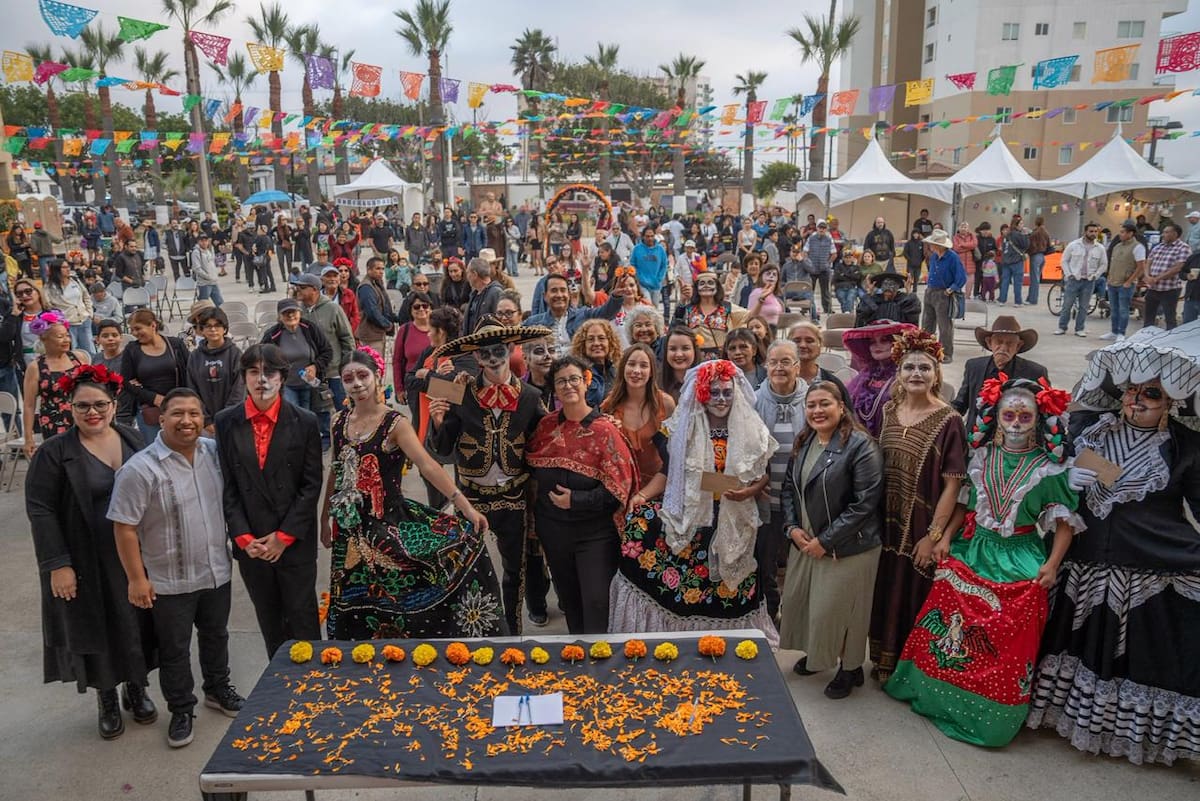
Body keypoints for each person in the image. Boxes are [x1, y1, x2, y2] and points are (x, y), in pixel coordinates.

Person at [1029, 327, 1200, 765]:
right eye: (1131, 391)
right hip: (1083, 556)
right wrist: (1063, 476)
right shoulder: (1089, 427)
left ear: (1171, 403)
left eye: (1151, 394)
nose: (1136, 400)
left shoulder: (1185, 446)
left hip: (1148, 557)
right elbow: (1041, 467)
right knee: (1068, 638)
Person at [887, 376, 1080, 745]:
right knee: (943, 610)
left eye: (1026, 418)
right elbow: (965, 505)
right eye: (1010, 415)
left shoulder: (1049, 469)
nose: (1016, 424)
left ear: (1039, 420)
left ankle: (990, 715)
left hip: (1020, 554)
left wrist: (1052, 564)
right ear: (997, 417)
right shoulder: (982, 457)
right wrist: (943, 537)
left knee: (1010, 632)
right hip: (975, 547)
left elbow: (1063, 524)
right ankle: (932, 694)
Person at [321, 345, 501, 639]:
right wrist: (324, 519)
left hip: (388, 524)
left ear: (378, 376)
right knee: (356, 601)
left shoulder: (395, 423)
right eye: (348, 378)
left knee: (401, 598)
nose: (357, 384)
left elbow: (428, 466)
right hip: (349, 530)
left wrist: (465, 506)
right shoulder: (338, 422)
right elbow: (336, 471)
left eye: (363, 376)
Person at [26, 364, 156, 740]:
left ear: (114, 404)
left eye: (99, 404)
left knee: (136, 622)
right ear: (69, 407)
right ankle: (107, 698)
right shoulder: (54, 453)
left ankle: (136, 687)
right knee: (98, 627)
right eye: (82, 406)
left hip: (132, 556)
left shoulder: (133, 440)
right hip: (84, 557)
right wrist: (58, 564)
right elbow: (41, 509)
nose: (92, 412)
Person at [109, 389, 245, 748]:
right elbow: (123, 526)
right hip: (169, 579)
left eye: (195, 414)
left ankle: (217, 689)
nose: (187, 421)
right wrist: (137, 579)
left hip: (216, 570)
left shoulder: (215, 455)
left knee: (216, 635)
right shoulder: (140, 468)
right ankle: (182, 709)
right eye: (178, 414)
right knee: (175, 649)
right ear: (161, 418)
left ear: (204, 419)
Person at [609, 359, 779, 644]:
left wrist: (749, 492)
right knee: (673, 569)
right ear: (702, 393)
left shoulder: (753, 429)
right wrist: (641, 496)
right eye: (714, 392)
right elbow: (668, 472)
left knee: (728, 585)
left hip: (733, 517)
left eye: (727, 392)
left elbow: (764, 476)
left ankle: (728, 637)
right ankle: (682, 636)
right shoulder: (681, 429)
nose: (721, 399)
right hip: (693, 516)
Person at [428, 320, 554, 633]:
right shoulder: (460, 391)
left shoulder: (529, 396)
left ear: (510, 350)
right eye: (485, 353)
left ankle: (512, 630)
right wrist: (437, 420)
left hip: (513, 497)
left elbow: (548, 439)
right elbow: (442, 447)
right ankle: (470, 629)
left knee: (515, 567)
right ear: (477, 358)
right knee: (465, 566)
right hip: (471, 497)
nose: (493, 358)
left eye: (498, 350)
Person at [869, 329, 967, 683]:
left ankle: (909, 673)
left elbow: (953, 484)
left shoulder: (949, 420)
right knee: (884, 590)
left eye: (925, 368)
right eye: (909, 367)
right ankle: (881, 661)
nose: (916, 374)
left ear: (937, 375)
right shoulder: (888, 411)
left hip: (922, 526)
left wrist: (934, 535)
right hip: (884, 523)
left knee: (910, 593)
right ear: (898, 374)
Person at [214, 345, 322, 658]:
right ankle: (281, 689)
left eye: (269, 372)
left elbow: (310, 484)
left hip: (292, 538)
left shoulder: (304, 421)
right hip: (253, 542)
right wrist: (244, 537)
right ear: (243, 377)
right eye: (253, 372)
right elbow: (229, 486)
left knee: (302, 616)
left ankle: (313, 686)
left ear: (283, 378)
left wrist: (284, 536)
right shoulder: (226, 421)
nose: (262, 379)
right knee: (269, 617)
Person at [780, 380, 884, 698]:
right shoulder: (806, 441)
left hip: (849, 546)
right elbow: (788, 488)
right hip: (808, 541)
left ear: (842, 407)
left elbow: (865, 503)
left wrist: (825, 541)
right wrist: (792, 528)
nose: (817, 410)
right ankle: (818, 656)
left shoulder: (861, 446)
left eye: (825, 403)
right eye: (811, 405)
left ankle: (850, 668)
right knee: (809, 603)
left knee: (841, 610)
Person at [526, 355, 636, 634]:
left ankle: (600, 664)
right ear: (553, 388)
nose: (568, 385)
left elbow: (618, 489)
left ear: (586, 382)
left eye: (574, 378)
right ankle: (578, 661)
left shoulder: (605, 430)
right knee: (569, 599)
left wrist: (576, 500)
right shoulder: (545, 428)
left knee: (597, 601)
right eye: (561, 381)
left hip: (595, 534)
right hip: (553, 531)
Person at [752, 339, 809, 620]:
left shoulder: (813, 400)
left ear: (798, 367)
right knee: (766, 563)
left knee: (802, 563)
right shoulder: (752, 401)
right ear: (765, 366)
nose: (779, 368)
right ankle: (769, 614)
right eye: (773, 362)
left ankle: (797, 618)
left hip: (803, 501)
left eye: (786, 362)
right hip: (766, 497)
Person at [953, 316, 1049, 432]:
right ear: (989, 343)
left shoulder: (1035, 372)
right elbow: (960, 404)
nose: (1003, 348)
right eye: (999, 342)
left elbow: (1046, 412)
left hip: (1016, 440)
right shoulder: (974, 367)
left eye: (1010, 344)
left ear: (1018, 346)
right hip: (975, 437)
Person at [119, 310, 189, 441]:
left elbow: (190, 373)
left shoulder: (175, 345)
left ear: (153, 325)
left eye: (138, 328)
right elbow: (126, 382)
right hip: (150, 410)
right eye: (132, 330)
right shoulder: (132, 349)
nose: (134, 333)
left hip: (179, 405)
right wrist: (154, 398)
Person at [843, 320, 916, 437]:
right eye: (872, 342)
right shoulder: (865, 376)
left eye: (884, 340)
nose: (877, 346)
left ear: (897, 343)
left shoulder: (906, 376)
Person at [260, 298, 332, 413]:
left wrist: (315, 366)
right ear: (279, 317)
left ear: (300, 313)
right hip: (287, 384)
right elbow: (262, 358)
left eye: (294, 312)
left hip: (311, 383)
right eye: (286, 313)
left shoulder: (310, 328)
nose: (290, 315)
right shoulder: (272, 335)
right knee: (293, 415)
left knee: (311, 417)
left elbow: (327, 351)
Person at [525, 272, 624, 351]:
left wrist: (616, 296)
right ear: (545, 296)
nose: (559, 295)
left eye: (563, 290)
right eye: (554, 290)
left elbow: (607, 313)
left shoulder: (583, 315)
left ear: (568, 295)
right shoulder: (534, 323)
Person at [185, 307, 244, 436]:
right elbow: (192, 389)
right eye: (208, 326)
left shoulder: (235, 354)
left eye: (217, 325)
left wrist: (226, 417)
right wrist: (206, 420)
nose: (213, 330)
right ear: (202, 329)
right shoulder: (195, 356)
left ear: (225, 328)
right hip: (204, 424)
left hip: (231, 421)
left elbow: (239, 390)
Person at [920, 229, 967, 363]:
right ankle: (926, 350)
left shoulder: (952, 257)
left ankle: (946, 353)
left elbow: (961, 277)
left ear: (939, 245)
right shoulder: (934, 256)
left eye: (932, 244)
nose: (930, 246)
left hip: (943, 294)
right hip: (930, 291)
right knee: (927, 323)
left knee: (944, 325)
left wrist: (951, 289)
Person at [1054, 223, 1108, 338]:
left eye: (1095, 231)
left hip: (1089, 281)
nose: (1093, 234)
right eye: (1091, 231)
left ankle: (1079, 328)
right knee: (1067, 305)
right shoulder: (1074, 245)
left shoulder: (1100, 248)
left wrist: (1096, 275)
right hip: (1074, 279)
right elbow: (1064, 260)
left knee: (1084, 306)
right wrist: (1069, 274)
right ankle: (1062, 327)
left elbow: (1103, 264)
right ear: (1085, 232)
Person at [674, 271, 742, 360]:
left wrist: (760, 301)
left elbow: (748, 317)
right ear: (696, 288)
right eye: (702, 283)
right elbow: (675, 327)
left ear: (717, 287)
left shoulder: (727, 307)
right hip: (696, 360)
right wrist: (682, 300)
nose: (706, 285)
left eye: (710, 283)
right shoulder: (688, 309)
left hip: (722, 360)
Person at [1103, 221, 1148, 339]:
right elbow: (1113, 264)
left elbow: (1141, 267)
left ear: (1130, 233)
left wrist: (1129, 281)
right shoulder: (1117, 246)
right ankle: (1113, 331)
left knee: (1123, 310)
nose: (1120, 235)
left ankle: (1121, 333)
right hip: (1113, 282)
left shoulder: (1138, 247)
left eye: (1122, 232)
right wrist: (1109, 277)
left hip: (1126, 284)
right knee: (1114, 309)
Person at [1142, 223, 1191, 330]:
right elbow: (1148, 262)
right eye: (1163, 232)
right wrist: (1147, 276)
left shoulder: (1183, 248)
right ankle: (1145, 338)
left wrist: (1156, 279)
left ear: (1175, 234)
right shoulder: (1159, 246)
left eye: (1166, 232)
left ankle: (1170, 341)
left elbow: (1178, 268)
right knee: (1148, 316)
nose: (1163, 235)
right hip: (1153, 287)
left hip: (1169, 289)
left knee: (1169, 317)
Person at [43, 258, 94, 356]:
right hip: (67, 323)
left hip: (84, 319)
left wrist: (90, 313)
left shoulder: (75, 280)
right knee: (72, 352)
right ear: (57, 269)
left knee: (90, 351)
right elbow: (48, 305)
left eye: (68, 267)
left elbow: (86, 296)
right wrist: (59, 320)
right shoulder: (49, 287)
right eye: (64, 267)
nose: (68, 269)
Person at [570, 319, 621, 408]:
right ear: (583, 344)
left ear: (610, 342)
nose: (596, 343)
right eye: (590, 339)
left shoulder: (617, 370)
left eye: (601, 338)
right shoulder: (578, 374)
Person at [630, 226, 669, 308]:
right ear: (643, 236)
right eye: (647, 236)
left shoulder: (660, 249)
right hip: (642, 283)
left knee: (655, 307)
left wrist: (659, 279)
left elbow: (664, 265)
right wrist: (638, 277)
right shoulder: (637, 249)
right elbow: (633, 264)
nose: (650, 238)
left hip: (656, 284)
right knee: (647, 306)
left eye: (652, 236)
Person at [659, 324, 700, 401]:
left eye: (685, 348)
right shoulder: (656, 382)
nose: (679, 354)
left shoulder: (708, 380)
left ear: (694, 350)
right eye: (673, 349)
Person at [803, 220, 835, 315]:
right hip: (812, 268)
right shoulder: (811, 238)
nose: (822, 229)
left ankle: (827, 309)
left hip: (824, 269)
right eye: (820, 227)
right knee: (808, 289)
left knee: (825, 291)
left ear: (826, 229)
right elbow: (805, 251)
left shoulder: (829, 239)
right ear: (817, 228)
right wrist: (807, 263)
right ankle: (805, 308)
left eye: (824, 228)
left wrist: (828, 263)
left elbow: (834, 254)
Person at [997, 216, 1029, 306]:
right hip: (1016, 261)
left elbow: (1003, 248)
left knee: (1005, 281)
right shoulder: (1018, 234)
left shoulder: (1005, 235)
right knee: (1017, 282)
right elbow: (1026, 245)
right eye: (1021, 223)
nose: (1023, 225)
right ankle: (1018, 301)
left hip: (1006, 261)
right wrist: (1026, 234)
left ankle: (1002, 300)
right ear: (1016, 225)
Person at [322, 264, 360, 334]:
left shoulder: (349, 294)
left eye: (335, 276)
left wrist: (348, 332)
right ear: (322, 280)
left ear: (339, 279)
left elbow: (355, 316)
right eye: (328, 276)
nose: (332, 279)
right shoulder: (316, 296)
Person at [748, 263, 787, 329]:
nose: (771, 276)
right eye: (768, 274)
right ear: (761, 277)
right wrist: (761, 299)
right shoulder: (757, 292)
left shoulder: (774, 295)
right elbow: (750, 317)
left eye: (774, 275)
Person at [190, 231, 223, 307]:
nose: (204, 243)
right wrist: (207, 276)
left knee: (220, 303)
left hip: (213, 282)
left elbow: (212, 264)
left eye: (206, 241)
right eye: (202, 241)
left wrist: (214, 275)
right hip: (204, 284)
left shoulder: (208, 251)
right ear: (198, 241)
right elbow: (197, 268)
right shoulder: (196, 252)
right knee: (203, 306)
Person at [1026, 216, 1052, 306]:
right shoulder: (1046, 232)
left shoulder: (1034, 233)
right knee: (1036, 279)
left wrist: (1027, 252)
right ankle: (1030, 297)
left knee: (1034, 279)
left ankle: (1032, 300)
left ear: (1035, 222)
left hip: (1035, 256)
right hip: (1042, 257)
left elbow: (1028, 244)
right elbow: (1049, 244)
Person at [832, 249, 863, 314]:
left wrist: (844, 274)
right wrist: (851, 275)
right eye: (846, 257)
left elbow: (857, 277)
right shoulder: (838, 266)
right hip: (840, 287)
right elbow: (837, 277)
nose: (848, 259)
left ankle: (846, 313)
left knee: (850, 298)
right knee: (842, 298)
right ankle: (848, 313)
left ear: (852, 258)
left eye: (849, 257)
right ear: (843, 258)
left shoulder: (856, 267)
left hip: (852, 287)